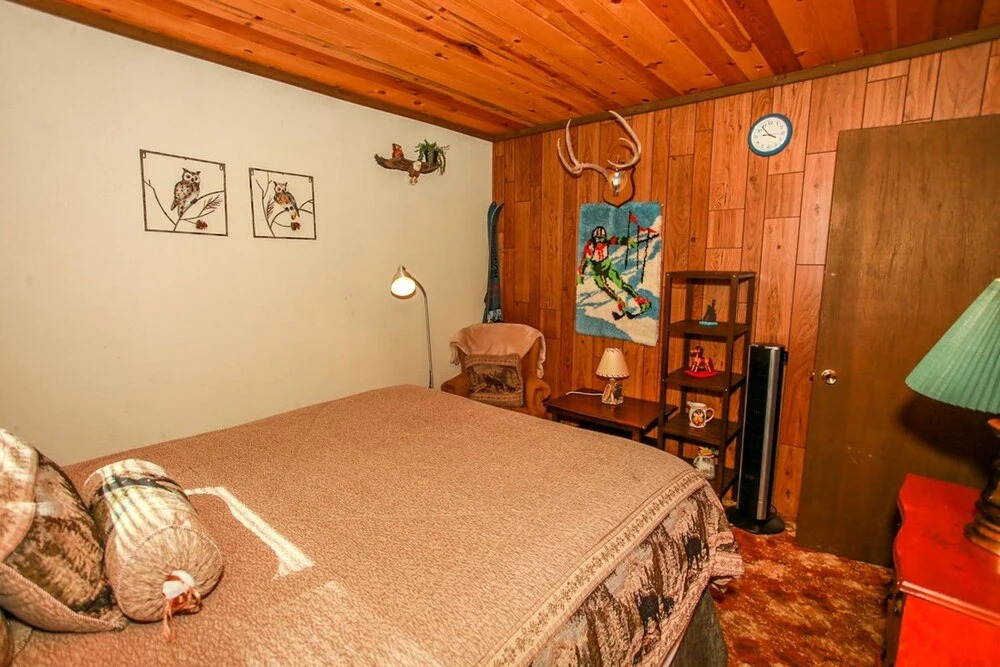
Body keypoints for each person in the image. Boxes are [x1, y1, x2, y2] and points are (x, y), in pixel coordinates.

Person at [577, 225, 657, 320]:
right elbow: (584, 261)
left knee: (620, 284)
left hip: (607, 266)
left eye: (601, 239)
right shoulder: (590, 246)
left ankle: (642, 301)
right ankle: (619, 301)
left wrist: (628, 242)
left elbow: (617, 240)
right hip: (596, 269)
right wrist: (580, 274)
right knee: (603, 286)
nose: (600, 241)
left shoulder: (606, 239)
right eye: (597, 239)